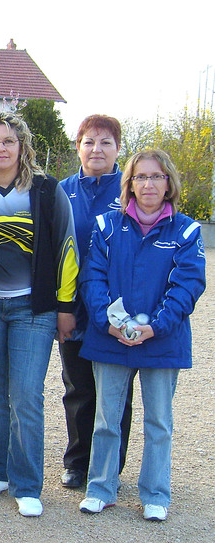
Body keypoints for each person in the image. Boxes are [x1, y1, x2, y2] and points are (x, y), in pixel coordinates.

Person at [0, 109, 78, 518]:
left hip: (33, 307)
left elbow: (67, 248)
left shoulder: (46, 191)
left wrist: (65, 307)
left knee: (26, 395)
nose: (1, 148)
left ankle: (26, 484)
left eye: (8, 141)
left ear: (21, 145)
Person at [77, 149, 205, 521]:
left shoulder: (187, 230)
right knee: (106, 419)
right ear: (129, 183)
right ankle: (100, 488)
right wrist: (109, 322)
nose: (148, 184)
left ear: (169, 183)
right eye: (141, 177)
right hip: (110, 338)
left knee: (159, 423)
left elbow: (188, 285)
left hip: (162, 341)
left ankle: (155, 495)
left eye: (156, 176)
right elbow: (92, 278)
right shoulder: (107, 225)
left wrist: (156, 326)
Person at [58, 115, 134, 489]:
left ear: (118, 148)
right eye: (89, 142)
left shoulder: (131, 191)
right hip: (73, 307)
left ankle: (109, 467)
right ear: (78, 147)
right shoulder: (62, 191)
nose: (97, 150)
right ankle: (77, 462)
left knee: (115, 391)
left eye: (105, 142)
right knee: (78, 388)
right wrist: (62, 306)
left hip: (116, 308)